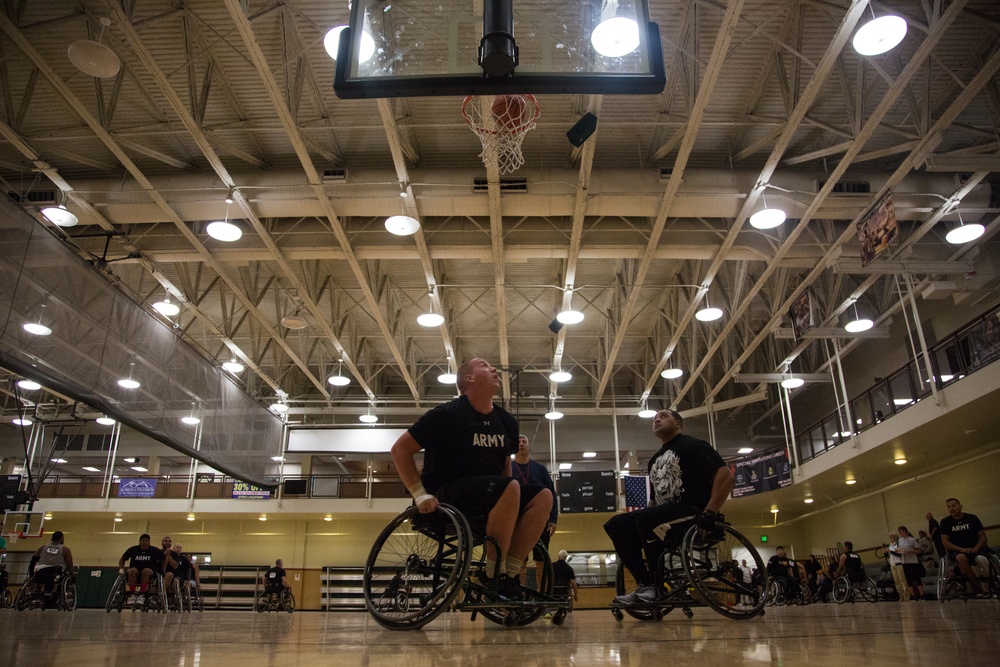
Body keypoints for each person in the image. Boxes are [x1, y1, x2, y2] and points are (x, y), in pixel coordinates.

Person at [391, 357, 553, 601]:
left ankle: (508, 575)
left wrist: (512, 501)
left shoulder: (507, 422)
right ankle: (492, 573)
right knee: (509, 486)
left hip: (490, 495)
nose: (494, 369)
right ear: (469, 378)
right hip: (446, 496)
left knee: (543, 495)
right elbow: (400, 450)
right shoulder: (446, 415)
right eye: (485, 366)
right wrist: (419, 493)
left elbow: (504, 466)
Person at [603, 408, 734, 605]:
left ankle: (657, 587)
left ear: (678, 423)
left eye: (663, 416)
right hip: (664, 515)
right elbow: (654, 500)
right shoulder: (655, 460)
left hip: (692, 511)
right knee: (615, 524)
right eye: (655, 418)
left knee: (646, 519)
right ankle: (645, 584)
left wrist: (710, 512)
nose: (657, 419)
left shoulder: (693, 445)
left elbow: (725, 476)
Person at [511, 433, 558, 583]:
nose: (521, 444)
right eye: (518, 442)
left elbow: (551, 493)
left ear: (529, 446)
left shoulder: (540, 468)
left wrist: (553, 518)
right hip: (516, 518)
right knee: (519, 558)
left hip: (540, 518)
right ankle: (520, 590)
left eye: (524, 441)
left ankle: (541, 593)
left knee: (541, 558)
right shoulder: (508, 468)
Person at [939, 498, 989, 596]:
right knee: (961, 558)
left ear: (961, 506)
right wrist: (961, 549)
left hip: (975, 549)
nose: (951, 509)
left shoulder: (972, 518)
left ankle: (989, 585)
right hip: (958, 551)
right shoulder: (945, 522)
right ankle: (976, 586)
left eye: (954, 506)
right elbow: (945, 542)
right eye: (948, 507)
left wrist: (976, 548)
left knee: (982, 560)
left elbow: (983, 536)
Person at [118, 533, 166, 601]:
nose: (145, 542)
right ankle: (132, 594)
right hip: (135, 571)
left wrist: (163, 569)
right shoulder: (133, 549)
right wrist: (121, 569)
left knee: (145, 571)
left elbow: (164, 559)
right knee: (132, 570)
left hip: (149, 572)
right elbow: (122, 559)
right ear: (139, 541)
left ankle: (142, 594)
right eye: (143, 540)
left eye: (147, 540)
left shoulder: (154, 550)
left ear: (149, 542)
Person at [29, 530, 74, 602]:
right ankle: (56, 594)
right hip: (55, 572)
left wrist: (31, 573)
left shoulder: (42, 547)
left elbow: (33, 561)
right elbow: (70, 565)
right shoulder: (65, 550)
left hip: (40, 571)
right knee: (63, 576)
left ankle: (38, 591)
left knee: (45, 575)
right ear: (62, 538)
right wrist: (73, 576)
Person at [896, 526, 924, 601]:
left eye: (901, 531)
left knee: (917, 578)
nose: (900, 533)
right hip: (905, 561)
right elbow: (899, 550)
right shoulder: (899, 540)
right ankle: (913, 595)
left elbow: (919, 551)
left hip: (913, 561)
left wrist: (910, 551)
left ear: (905, 531)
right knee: (908, 578)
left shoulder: (912, 539)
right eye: (899, 532)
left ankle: (921, 594)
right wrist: (898, 551)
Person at [886, 532, 909, 601]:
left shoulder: (898, 544)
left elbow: (899, 554)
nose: (890, 539)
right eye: (890, 537)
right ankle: (900, 596)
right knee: (897, 582)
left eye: (892, 537)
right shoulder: (890, 545)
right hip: (892, 564)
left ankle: (906, 596)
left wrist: (890, 551)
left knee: (902, 580)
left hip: (899, 563)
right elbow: (890, 555)